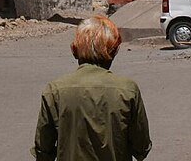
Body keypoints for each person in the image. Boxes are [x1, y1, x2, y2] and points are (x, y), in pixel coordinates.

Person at [33, 15, 152, 161]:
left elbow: (43, 149)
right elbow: (141, 148)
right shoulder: (128, 89)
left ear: (74, 50)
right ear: (113, 52)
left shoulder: (55, 90)